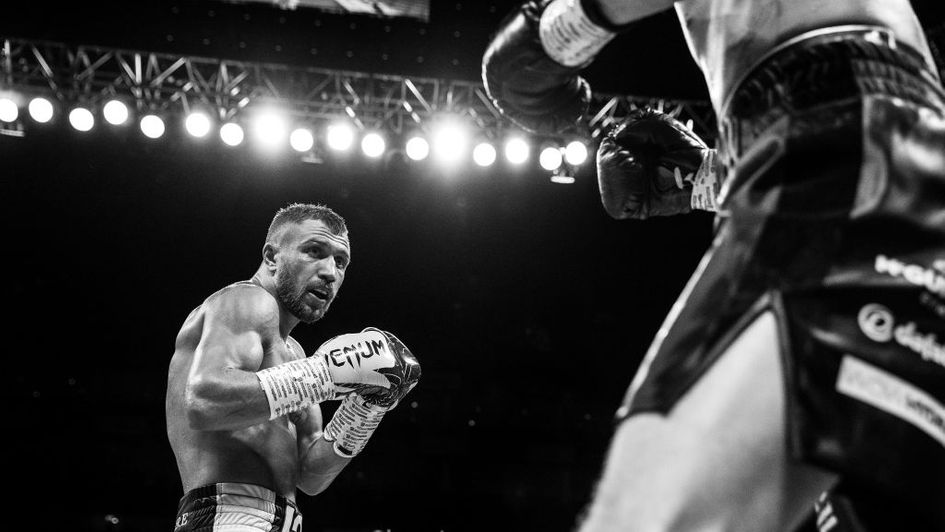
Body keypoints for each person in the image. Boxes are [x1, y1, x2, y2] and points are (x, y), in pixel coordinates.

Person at [483, 0, 945, 530]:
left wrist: (559, 29)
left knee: (646, 516)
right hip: (874, 151)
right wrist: (708, 179)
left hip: (846, 141)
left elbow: (844, 96)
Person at [165, 203, 420, 532]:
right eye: (315, 251)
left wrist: (364, 410)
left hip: (282, 521)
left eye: (340, 262)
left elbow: (310, 477)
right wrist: (327, 375)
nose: (330, 272)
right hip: (230, 515)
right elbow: (204, 403)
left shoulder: (297, 355)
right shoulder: (245, 301)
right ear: (272, 257)